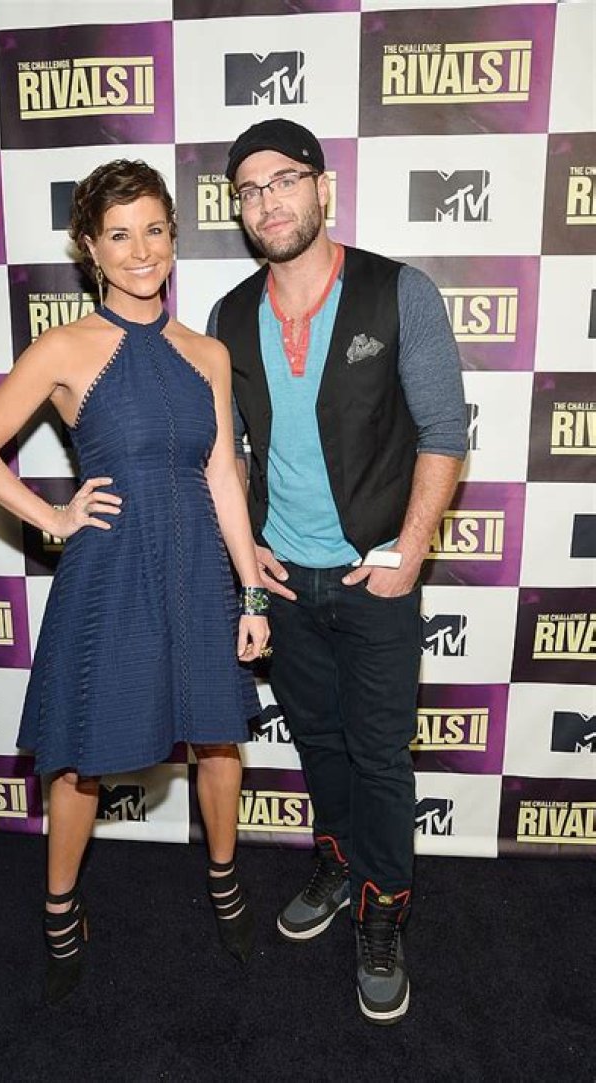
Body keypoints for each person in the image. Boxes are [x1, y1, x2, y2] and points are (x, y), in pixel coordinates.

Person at [0, 159, 269, 1004]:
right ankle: (60, 906)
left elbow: (223, 476)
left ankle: (225, 880)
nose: (141, 251)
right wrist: (53, 515)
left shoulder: (207, 353)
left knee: (218, 739)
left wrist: (251, 591)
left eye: (155, 230)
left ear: (174, 236)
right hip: (112, 574)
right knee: (81, 758)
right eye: (120, 235)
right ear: (91, 249)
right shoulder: (65, 347)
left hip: (199, 568)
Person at [208, 119, 467, 1025]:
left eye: (284, 179)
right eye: (249, 189)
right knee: (319, 741)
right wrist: (248, 551)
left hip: (372, 581)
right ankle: (339, 858)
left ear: (323, 187)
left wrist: (410, 552)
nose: (268, 201)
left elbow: (444, 431)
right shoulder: (229, 316)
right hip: (286, 583)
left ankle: (383, 908)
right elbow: (229, 453)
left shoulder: (400, 292)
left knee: (380, 757)